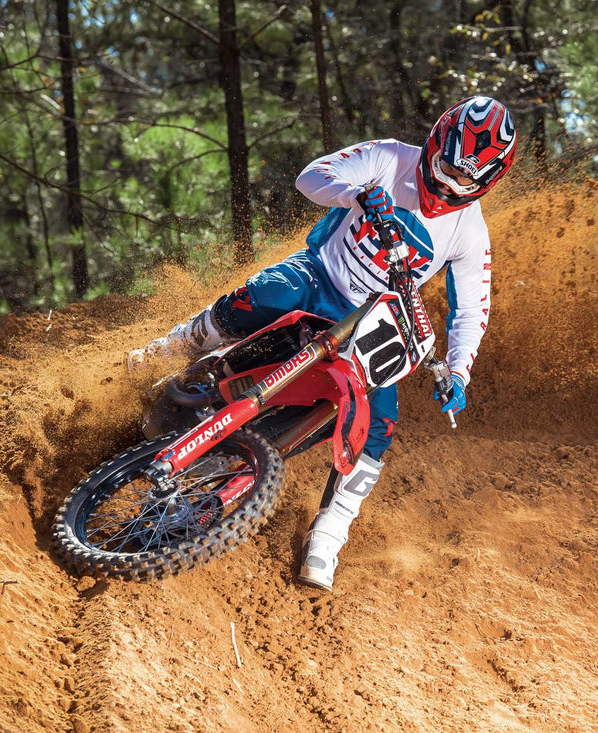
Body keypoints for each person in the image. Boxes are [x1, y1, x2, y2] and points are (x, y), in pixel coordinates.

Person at [127, 96, 517, 591]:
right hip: (318, 276)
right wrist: (354, 194)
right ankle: (168, 348)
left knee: (383, 420)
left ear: (486, 181)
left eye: (465, 180)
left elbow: (471, 312)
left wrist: (459, 372)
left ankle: (328, 535)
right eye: (443, 167)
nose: (447, 184)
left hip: (370, 322)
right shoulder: (391, 156)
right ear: (434, 144)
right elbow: (310, 176)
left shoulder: (471, 233)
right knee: (267, 294)